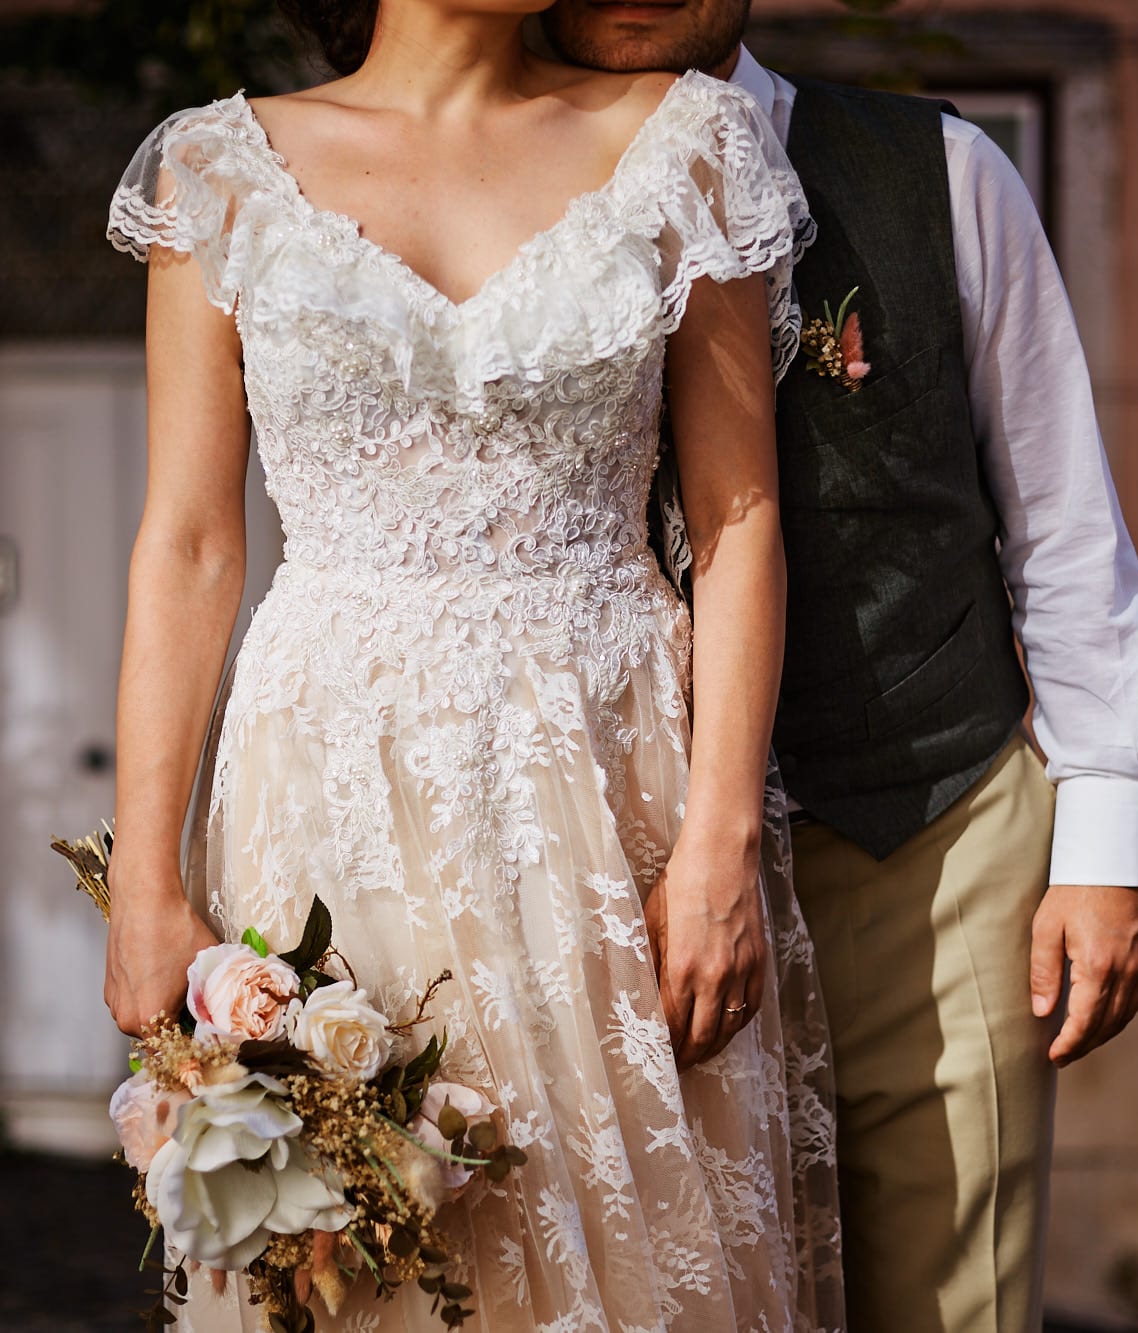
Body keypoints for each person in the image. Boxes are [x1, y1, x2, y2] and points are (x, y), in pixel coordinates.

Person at [99, 0, 843, 1328]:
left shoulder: (687, 143)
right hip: (331, 789)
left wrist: (723, 836)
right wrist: (144, 879)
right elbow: (192, 543)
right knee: (354, 1256)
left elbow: (740, 520)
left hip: (607, 782)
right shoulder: (219, 171)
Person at [543, 5, 1138, 1332]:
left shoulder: (937, 174)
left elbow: (1061, 521)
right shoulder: (478, 190)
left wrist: (1107, 829)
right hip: (598, 871)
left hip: (923, 842)